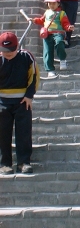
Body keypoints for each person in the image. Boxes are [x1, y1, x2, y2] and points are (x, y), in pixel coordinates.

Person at [0, 31, 40, 175]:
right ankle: (4, 164)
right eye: (5, 52)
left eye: (11, 51)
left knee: (23, 133)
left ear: (17, 47)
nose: (8, 54)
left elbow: (34, 76)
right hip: (2, 102)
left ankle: (23, 162)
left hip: (23, 102)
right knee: (2, 134)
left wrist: (29, 96)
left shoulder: (26, 57)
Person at [32, 0, 74, 78]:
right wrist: (34, 20)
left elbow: (65, 23)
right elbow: (41, 20)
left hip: (58, 33)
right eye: (49, 3)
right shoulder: (46, 12)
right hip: (47, 34)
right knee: (47, 52)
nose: (51, 5)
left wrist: (69, 27)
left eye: (53, 3)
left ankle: (62, 59)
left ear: (58, 3)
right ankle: (50, 70)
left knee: (59, 43)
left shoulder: (62, 13)